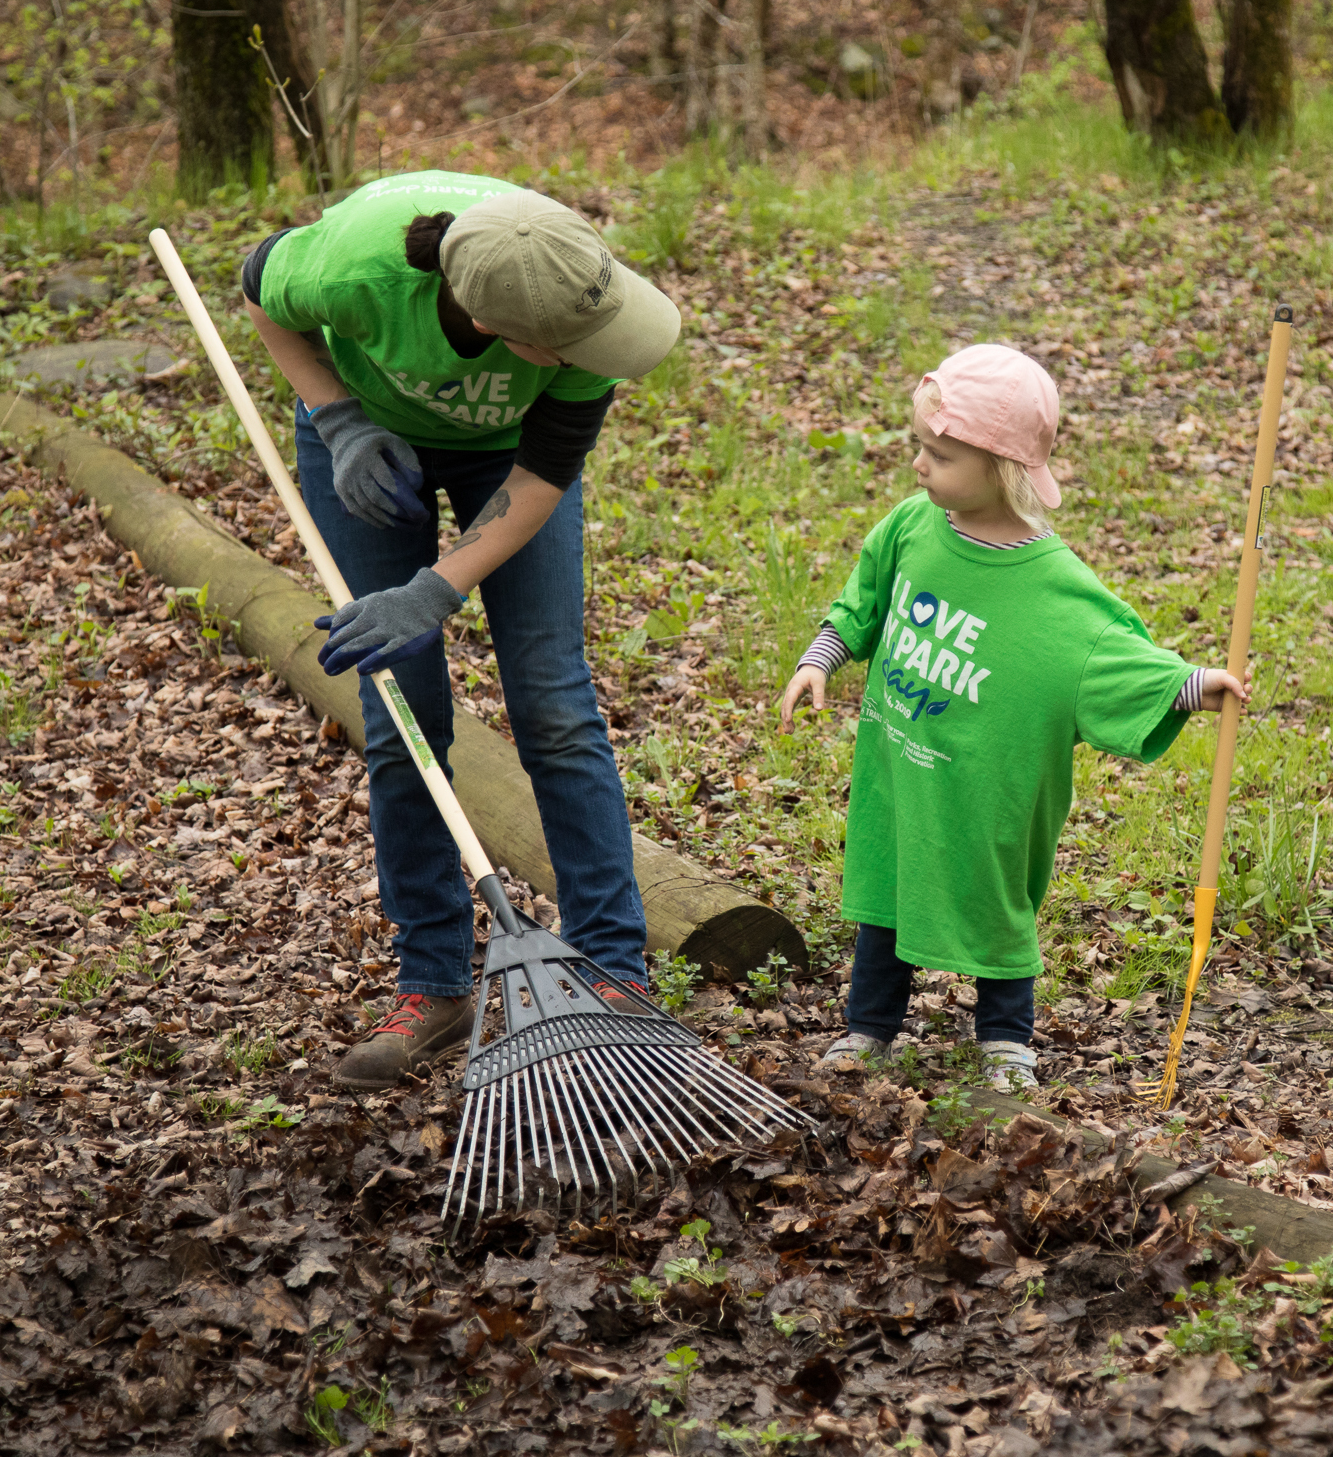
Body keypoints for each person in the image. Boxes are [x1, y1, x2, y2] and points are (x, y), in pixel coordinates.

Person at [241, 171, 681, 1089]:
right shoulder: (355, 265)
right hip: (363, 448)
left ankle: (614, 971)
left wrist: (434, 589)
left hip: (509, 465)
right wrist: (340, 417)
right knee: (403, 708)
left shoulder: (573, 287)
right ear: (501, 330)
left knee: (555, 701)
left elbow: (543, 477)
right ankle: (433, 982)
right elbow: (258, 284)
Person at [778, 344, 1248, 1093]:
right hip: (900, 768)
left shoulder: (1054, 590)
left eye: (939, 454)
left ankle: (1005, 1040)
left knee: (997, 897)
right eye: (920, 448)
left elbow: (1110, 656)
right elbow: (864, 598)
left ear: (999, 467)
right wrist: (820, 658)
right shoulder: (912, 529)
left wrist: (1191, 685)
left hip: (988, 790)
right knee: (887, 892)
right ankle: (868, 1027)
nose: (919, 467)